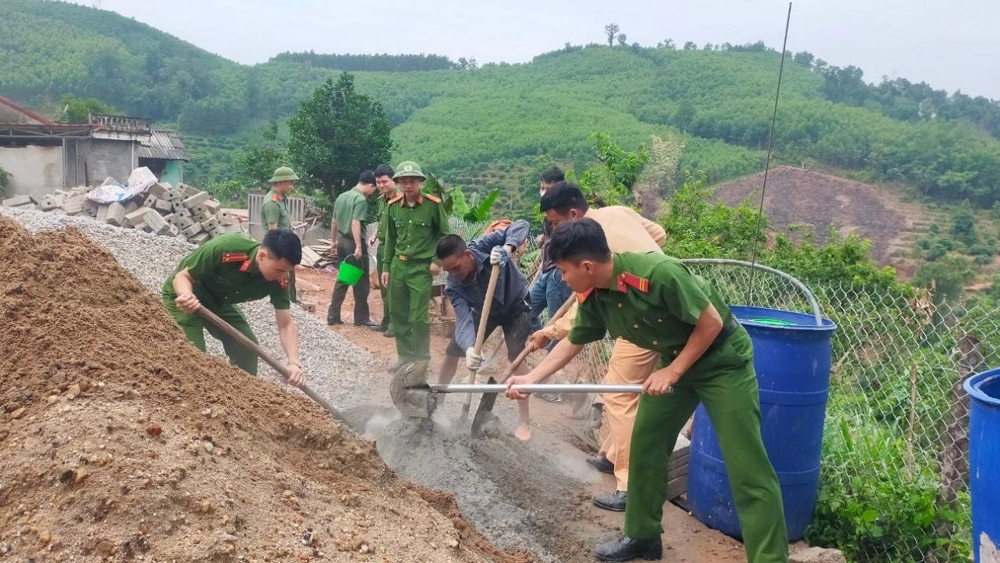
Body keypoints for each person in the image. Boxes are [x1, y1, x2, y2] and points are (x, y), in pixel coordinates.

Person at [506, 219, 787, 563]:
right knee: (647, 442)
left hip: (722, 363)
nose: (562, 279)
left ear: (588, 266)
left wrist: (673, 370)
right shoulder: (596, 295)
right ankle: (643, 537)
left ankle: (770, 558)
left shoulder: (659, 274)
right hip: (675, 364)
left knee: (746, 464)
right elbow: (573, 342)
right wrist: (532, 379)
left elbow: (711, 323)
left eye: (564, 271)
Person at [531, 181, 666, 512]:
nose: (555, 231)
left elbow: (581, 321)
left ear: (574, 214)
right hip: (642, 303)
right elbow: (659, 233)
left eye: (556, 223)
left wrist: (547, 332)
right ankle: (612, 454)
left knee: (619, 394)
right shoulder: (617, 211)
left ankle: (631, 487)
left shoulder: (589, 256)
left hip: (646, 313)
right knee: (617, 383)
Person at [163, 229, 306, 388]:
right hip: (184, 295)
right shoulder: (227, 248)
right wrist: (186, 296)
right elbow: (182, 276)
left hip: (218, 302)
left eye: (287, 271)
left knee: (247, 347)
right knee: (193, 357)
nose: (283, 275)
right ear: (262, 256)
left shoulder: (281, 280)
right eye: (279, 270)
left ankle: (240, 395)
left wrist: (294, 363)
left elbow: (285, 324)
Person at [436, 221, 533, 441]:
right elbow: (463, 320)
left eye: (456, 267)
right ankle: (438, 403)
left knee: (517, 357)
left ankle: (524, 422)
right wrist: (470, 348)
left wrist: (507, 249)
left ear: (468, 255)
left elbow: (521, 225)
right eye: (448, 270)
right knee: (453, 352)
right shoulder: (453, 285)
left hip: (516, 305)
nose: (453, 274)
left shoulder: (483, 245)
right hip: (485, 309)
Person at [382, 161, 450, 369]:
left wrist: (437, 260)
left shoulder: (432, 205)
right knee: (398, 313)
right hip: (398, 267)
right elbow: (390, 239)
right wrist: (385, 267)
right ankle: (405, 357)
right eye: (403, 181)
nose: (408, 185)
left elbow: (444, 235)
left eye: (412, 181)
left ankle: (421, 360)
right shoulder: (393, 207)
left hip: (421, 268)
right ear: (399, 183)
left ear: (420, 182)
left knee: (418, 316)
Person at [327, 171, 379, 327]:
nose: (373, 193)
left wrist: (334, 241)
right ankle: (361, 318)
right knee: (361, 282)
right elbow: (355, 223)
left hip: (342, 241)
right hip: (353, 243)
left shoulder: (342, 196)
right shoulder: (360, 199)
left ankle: (333, 315)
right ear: (370, 185)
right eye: (374, 189)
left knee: (343, 279)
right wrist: (358, 246)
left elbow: (334, 221)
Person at [528, 167, 573, 337]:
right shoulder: (548, 212)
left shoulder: (568, 212)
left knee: (555, 323)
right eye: (542, 188)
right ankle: (541, 337)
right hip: (545, 273)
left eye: (548, 188)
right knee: (523, 312)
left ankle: (553, 358)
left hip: (559, 274)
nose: (544, 191)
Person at [369, 164, 400, 337]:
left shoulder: (401, 201)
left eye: (384, 182)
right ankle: (386, 321)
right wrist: (375, 234)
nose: (381, 185)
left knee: (394, 289)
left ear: (393, 180)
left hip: (396, 249)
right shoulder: (381, 200)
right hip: (382, 247)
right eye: (378, 182)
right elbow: (383, 222)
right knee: (384, 287)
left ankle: (395, 325)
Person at [260, 166, 299, 302]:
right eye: (290, 182)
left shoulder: (282, 199)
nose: (291, 186)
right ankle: (286, 303)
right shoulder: (272, 202)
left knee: (290, 277)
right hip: (280, 249)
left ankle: (292, 303)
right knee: (283, 278)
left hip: (286, 245)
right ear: (281, 182)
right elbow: (273, 231)